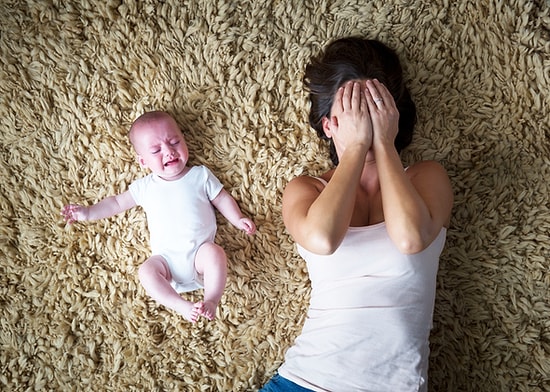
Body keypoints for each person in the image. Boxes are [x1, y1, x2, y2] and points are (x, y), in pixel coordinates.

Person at [261, 37, 453, 391]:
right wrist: (355, 148)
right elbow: (322, 238)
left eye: (374, 109)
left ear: (393, 114)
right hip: (305, 381)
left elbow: (411, 237)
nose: (363, 121)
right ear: (328, 125)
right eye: (351, 113)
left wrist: (382, 143)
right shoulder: (306, 189)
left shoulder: (426, 177)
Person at [61, 111, 256, 323]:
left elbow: (222, 199)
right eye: (156, 150)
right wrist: (88, 213)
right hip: (166, 264)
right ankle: (180, 305)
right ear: (143, 161)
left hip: (200, 256)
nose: (169, 151)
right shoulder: (145, 187)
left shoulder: (199, 175)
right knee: (146, 271)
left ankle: (211, 300)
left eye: (174, 142)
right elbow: (117, 202)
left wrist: (237, 219)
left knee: (215, 253)